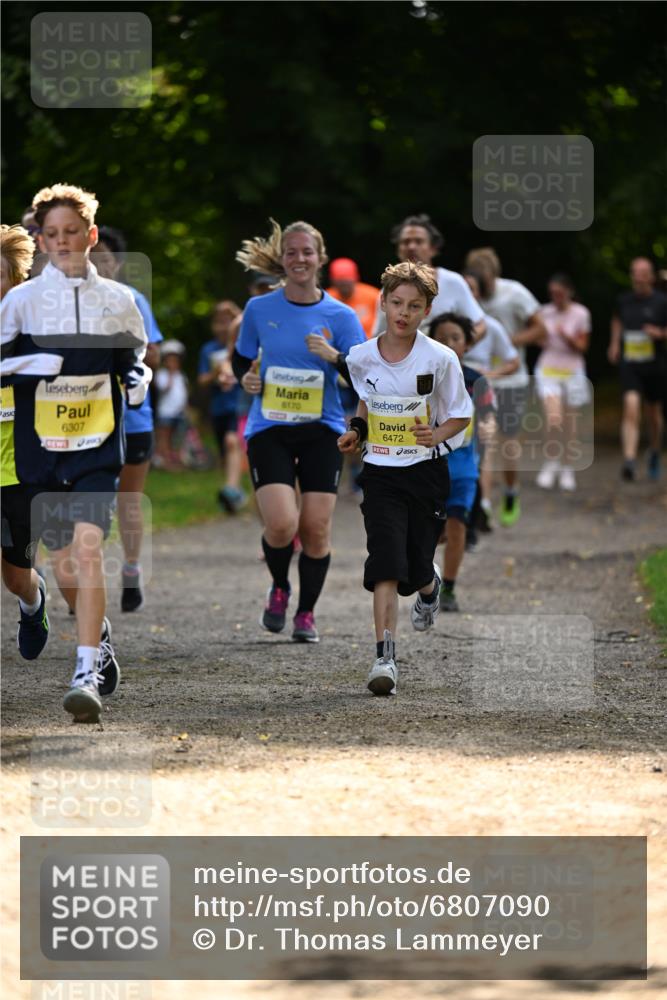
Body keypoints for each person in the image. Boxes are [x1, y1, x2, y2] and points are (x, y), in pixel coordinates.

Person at [1, 183, 149, 723]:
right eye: (52, 234)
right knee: (63, 564)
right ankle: (95, 641)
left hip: (97, 446)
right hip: (40, 452)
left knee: (87, 552)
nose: (62, 241)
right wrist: (26, 367)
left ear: (90, 235)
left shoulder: (118, 300)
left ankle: (84, 672)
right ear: (40, 240)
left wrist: (136, 381)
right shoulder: (20, 303)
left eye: (72, 232)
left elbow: (134, 359)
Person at [339, 261, 472, 695]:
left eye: (414, 306)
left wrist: (436, 434)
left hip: (425, 473)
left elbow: (461, 415)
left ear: (427, 310)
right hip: (380, 472)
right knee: (385, 561)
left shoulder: (440, 358)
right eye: (397, 303)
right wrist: (356, 431)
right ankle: (385, 658)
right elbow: (366, 402)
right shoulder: (361, 356)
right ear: (383, 302)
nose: (404, 312)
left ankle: (429, 587)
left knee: (414, 568)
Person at [232, 219, 365, 643]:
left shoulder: (341, 316)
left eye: (307, 251)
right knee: (282, 525)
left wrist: (334, 356)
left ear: (320, 258)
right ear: (283, 259)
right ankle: (279, 587)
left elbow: (366, 375)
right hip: (269, 427)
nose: (300, 259)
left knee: (316, 529)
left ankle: (305, 614)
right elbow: (241, 359)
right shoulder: (259, 309)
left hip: (321, 430)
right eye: (292, 252)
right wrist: (246, 378)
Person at [91, 225, 163, 610]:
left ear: (117, 263)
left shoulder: (134, 300)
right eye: (91, 258)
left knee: (128, 499)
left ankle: (131, 569)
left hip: (133, 418)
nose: (98, 265)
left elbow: (155, 357)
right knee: (88, 501)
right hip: (85, 418)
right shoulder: (69, 304)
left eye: (104, 259)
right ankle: (86, 577)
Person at [464, 247, 546, 526]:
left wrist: (506, 342)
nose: (481, 284)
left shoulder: (515, 293)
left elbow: (541, 329)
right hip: (479, 382)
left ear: (494, 274)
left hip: (511, 379)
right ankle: (484, 504)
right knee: (484, 443)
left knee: (508, 442)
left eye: (485, 279)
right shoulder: (467, 298)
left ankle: (511, 490)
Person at [0, 223, 50, 660]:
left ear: (16, 280)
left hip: (19, 471)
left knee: (16, 578)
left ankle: (33, 605)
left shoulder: (34, 331)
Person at [428, 312, 496, 611]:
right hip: (428, 466)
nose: (448, 343)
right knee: (430, 531)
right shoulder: (423, 376)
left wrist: (488, 426)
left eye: (455, 338)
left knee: (457, 527)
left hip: (464, 467)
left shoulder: (476, 380)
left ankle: (449, 588)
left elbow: (489, 415)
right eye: (441, 338)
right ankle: (426, 581)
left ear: (467, 344)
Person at [462, 268, 519, 534]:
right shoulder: (444, 324)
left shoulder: (491, 326)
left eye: (472, 289)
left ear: (479, 294)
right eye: (463, 289)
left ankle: (482, 505)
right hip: (450, 394)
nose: (467, 294)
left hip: (481, 393)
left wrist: (489, 375)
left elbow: (513, 361)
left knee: (483, 450)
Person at [372, 214, 486, 341]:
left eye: (419, 241)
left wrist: (457, 347)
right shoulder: (388, 290)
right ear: (398, 250)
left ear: (433, 249)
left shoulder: (453, 282)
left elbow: (480, 325)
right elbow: (379, 336)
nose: (411, 247)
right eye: (406, 242)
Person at [608, 257, 666, 481]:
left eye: (643, 273)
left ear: (651, 276)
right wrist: (614, 343)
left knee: (654, 415)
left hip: (654, 365)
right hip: (630, 363)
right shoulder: (624, 301)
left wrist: (659, 333)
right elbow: (616, 320)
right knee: (631, 407)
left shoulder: (662, 301)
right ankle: (630, 460)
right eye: (635, 273)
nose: (638, 278)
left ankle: (654, 450)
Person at [534, 273, 591, 491]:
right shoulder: (544, 312)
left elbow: (583, 346)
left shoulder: (581, 313)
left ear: (569, 292)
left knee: (570, 423)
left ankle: (568, 467)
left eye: (559, 293)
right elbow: (538, 339)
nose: (556, 297)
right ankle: (551, 462)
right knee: (553, 419)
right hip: (548, 370)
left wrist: (566, 335)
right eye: (553, 294)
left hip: (572, 371)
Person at [197, 300, 247, 513]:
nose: (223, 326)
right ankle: (233, 493)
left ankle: (231, 489)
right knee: (225, 453)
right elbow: (202, 380)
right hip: (219, 407)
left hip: (239, 404)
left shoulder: (244, 346)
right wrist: (216, 373)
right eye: (219, 322)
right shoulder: (208, 349)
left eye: (228, 321)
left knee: (232, 442)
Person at [154, 340, 188, 468]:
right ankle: (165, 460)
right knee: (165, 436)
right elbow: (164, 388)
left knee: (178, 437)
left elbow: (184, 393)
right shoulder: (161, 375)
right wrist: (170, 374)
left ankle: (176, 459)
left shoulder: (182, 376)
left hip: (179, 412)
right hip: (166, 412)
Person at [326, 258, 380, 338]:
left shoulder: (373, 295)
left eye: (347, 281)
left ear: (356, 278)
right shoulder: (326, 299)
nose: (344, 287)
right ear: (332, 281)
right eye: (340, 282)